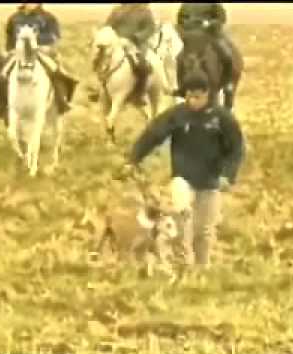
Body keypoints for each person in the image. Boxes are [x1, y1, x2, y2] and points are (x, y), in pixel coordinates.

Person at [125, 73, 245, 265]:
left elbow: (236, 148)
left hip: (210, 180)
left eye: (197, 97)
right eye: (189, 96)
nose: (192, 101)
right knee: (182, 220)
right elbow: (153, 134)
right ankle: (181, 263)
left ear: (207, 95)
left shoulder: (223, 118)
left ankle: (201, 268)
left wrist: (227, 175)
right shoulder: (177, 115)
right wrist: (134, 158)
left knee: (204, 230)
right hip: (182, 177)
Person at [2, 3, 78, 116]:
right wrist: (10, 49)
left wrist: (42, 43)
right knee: (4, 72)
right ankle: (3, 104)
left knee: (55, 71)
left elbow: (54, 35)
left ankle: (61, 102)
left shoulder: (48, 17)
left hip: (41, 52)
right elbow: (9, 36)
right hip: (19, 53)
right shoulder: (14, 18)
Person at [175, 3, 234, 100]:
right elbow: (180, 20)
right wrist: (186, 24)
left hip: (211, 35)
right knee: (180, 58)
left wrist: (209, 23)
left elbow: (221, 18)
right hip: (191, 37)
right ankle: (181, 87)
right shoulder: (186, 5)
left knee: (227, 55)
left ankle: (228, 84)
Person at [104, 4, 157, 105]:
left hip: (137, 43)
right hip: (117, 41)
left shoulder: (144, 10)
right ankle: (99, 90)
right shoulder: (117, 10)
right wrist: (110, 36)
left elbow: (150, 28)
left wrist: (136, 37)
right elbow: (108, 26)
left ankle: (139, 94)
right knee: (100, 60)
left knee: (142, 64)